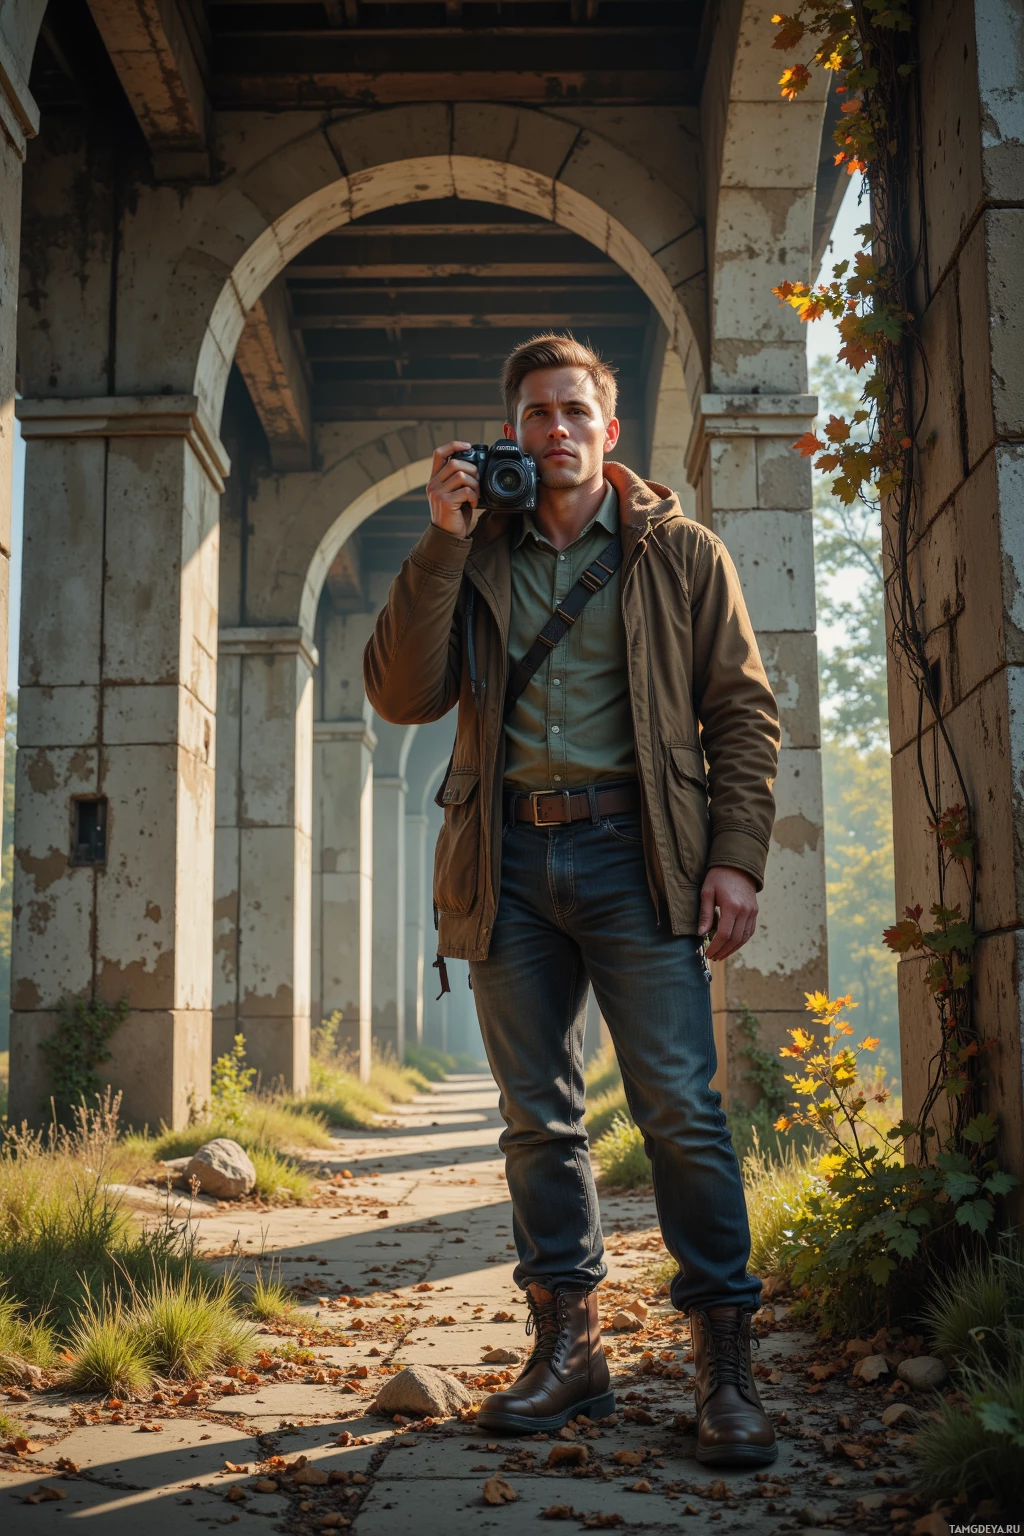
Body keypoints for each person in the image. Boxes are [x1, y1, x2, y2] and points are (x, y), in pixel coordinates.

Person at [363, 333, 781, 1467]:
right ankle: (569, 1347)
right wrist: (441, 543)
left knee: (682, 1111)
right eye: (535, 414)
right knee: (536, 1120)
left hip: (636, 859)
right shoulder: (477, 550)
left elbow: (741, 714)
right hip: (503, 864)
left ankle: (724, 1364)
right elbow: (405, 694)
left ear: (608, 429)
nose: (554, 430)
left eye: (573, 411)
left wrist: (733, 858)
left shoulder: (681, 552)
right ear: (511, 432)